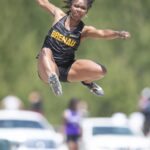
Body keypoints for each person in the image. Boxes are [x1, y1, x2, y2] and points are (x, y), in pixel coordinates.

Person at [35, 0, 131, 96]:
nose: (79, 10)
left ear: (86, 12)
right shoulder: (59, 15)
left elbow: (103, 33)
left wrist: (118, 34)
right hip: (46, 68)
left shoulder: (84, 30)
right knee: (45, 50)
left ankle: (87, 81)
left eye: (83, 8)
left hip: (67, 68)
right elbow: (43, 2)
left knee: (101, 71)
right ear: (71, 6)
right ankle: (53, 79)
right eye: (76, 6)